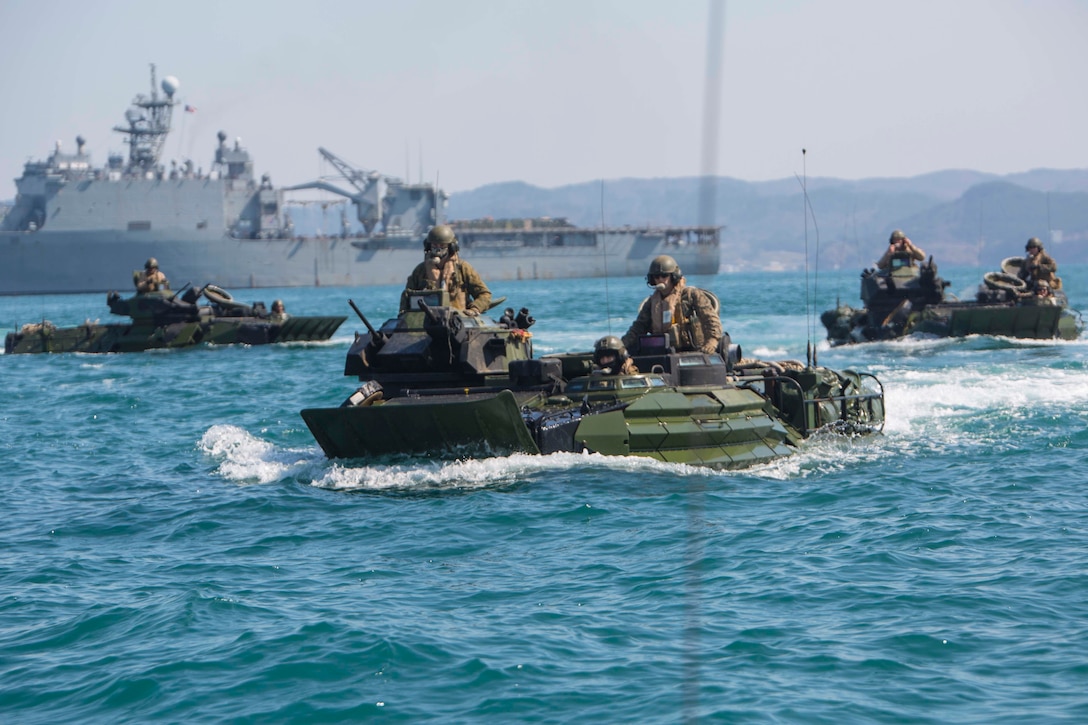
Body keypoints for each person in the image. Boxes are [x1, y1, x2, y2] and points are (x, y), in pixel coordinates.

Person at [621, 254, 722, 354]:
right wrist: (621, 346)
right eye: (656, 276)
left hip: (692, 350)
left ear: (673, 276)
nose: (660, 279)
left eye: (664, 276)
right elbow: (638, 327)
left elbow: (711, 319)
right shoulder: (652, 303)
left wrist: (712, 341)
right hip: (662, 351)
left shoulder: (691, 295)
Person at [401, 224, 492, 315]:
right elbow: (407, 297)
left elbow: (484, 294)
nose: (438, 248)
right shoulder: (420, 271)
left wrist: (474, 309)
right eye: (435, 244)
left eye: (442, 245)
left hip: (457, 320)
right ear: (428, 245)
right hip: (426, 322)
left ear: (451, 247)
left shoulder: (462, 268)